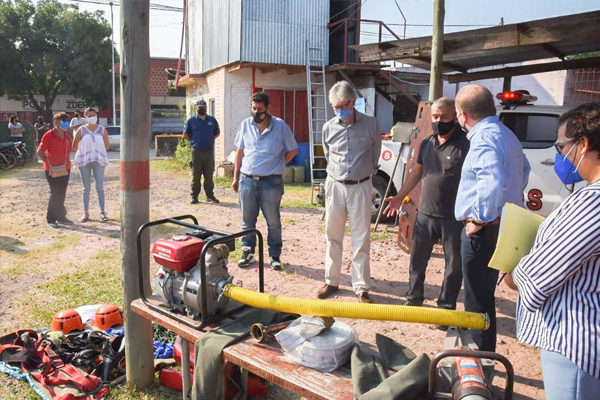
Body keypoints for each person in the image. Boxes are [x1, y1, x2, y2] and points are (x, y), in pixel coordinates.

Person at [505, 103, 600, 399]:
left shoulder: (592, 202)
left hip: (576, 340)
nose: (559, 155)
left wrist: (512, 274)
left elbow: (542, 274)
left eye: (561, 146)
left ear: (582, 144)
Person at [454, 84, 530, 352]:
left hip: (484, 230)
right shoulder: (506, 134)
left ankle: (481, 356)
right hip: (503, 226)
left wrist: (480, 219)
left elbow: (490, 180)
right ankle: (483, 350)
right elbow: (524, 168)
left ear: (462, 114)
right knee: (484, 294)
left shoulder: (483, 138)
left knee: (478, 299)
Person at [384, 97, 469, 318]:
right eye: (435, 117)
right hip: (425, 214)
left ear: (455, 118)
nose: (439, 121)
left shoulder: (465, 145)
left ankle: (445, 308)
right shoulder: (427, 142)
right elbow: (416, 173)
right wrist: (399, 196)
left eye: (445, 117)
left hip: (453, 217)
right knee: (417, 260)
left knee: (454, 266)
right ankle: (413, 299)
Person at [316, 81, 382, 303]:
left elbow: (376, 154)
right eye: (335, 107)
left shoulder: (371, 125)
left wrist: (366, 174)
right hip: (335, 185)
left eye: (342, 106)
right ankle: (331, 281)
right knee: (332, 235)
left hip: (361, 185)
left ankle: (361, 287)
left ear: (353, 102)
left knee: (360, 236)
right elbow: (328, 154)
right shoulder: (328, 127)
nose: (339, 111)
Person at [232, 91, 298, 270]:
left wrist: (278, 164)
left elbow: (293, 150)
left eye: (260, 109)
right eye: (253, 108)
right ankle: (248, 252)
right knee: (247, 220)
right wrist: (236, 177)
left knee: (273, 222)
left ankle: (275, 256)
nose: (256, 112)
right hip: (248, 181)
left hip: (271, 183)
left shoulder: (280, 126)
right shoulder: (246, 125)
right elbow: (240, 152)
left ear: (268, 108)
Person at [72, 107, 110, 222]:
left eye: (94, 115)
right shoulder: (81, 130)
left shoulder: (102, 130)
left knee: (100, 187)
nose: (92, 117)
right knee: (86, 188)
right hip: (84, 162)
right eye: (89, 116)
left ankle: (102, 212)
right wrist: (84, 151)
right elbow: (74, 145)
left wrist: (97, 151)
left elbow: (107, 146)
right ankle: (86, 213)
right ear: (85, 117)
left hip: (98, 161)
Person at [37, 112, 74, 228]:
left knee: (62, 193)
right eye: (63, 121)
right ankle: (51, 219)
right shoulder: (49, 135)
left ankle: (61, 217)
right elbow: (40, 152)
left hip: (65, 168)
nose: (65, 123)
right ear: (55, 122)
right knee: (55, 193)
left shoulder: (66, 135)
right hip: (52, 169)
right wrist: (48, 162)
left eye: (66, 121)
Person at [183, 100, 221, 204]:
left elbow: (216, 133)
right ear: (196, 108)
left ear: (206, 108)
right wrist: (194, 141)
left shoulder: (212, 120)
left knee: (209, 175)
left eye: (203, 107)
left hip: (209, 151)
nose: (202, 109)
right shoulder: (191, 120)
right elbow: (185, 134)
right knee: (196, 175)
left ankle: (210, 195)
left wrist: (208, 140)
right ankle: (194, 196)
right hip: (197, 152)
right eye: (200, 108)